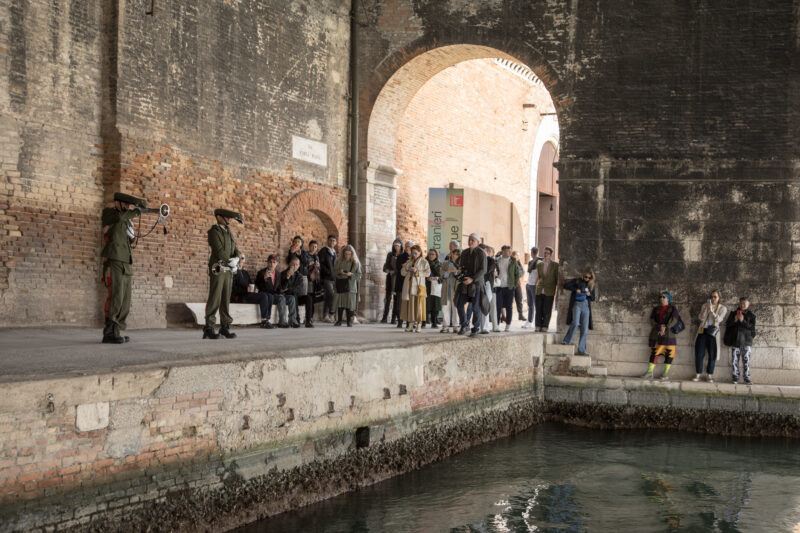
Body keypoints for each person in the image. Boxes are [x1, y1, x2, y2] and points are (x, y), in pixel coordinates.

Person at [100, 192, 145, 344]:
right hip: (115, 258)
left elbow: (131, 239)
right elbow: (119, 218)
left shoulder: (126, 220)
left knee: (125, 298)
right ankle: (109, 332)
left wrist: (132, 229)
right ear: (118, 203)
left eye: (129, 206)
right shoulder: (110, 213)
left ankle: (117, 329)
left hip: (126, 260)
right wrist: (135, 212)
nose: (127, 207)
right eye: (125, 204)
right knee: (116, 295)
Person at [204, 208, 243, 339]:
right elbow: (219, 250)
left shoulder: (228, 232)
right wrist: (230, 261)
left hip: (228, 270)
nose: (229, 220)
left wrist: (237, 257)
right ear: (219, 217)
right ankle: (208, 327)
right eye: (227, 217)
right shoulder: (214, 232)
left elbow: (235, 248)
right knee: (215, 297)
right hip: (218, 268)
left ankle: (225, 327)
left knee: (226, 298)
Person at [642, 291, 685, 380]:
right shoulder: (656, 309)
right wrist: (660, 326)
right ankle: (650, 373)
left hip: (670, 335)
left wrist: (665, 327)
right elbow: (652, 320)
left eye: (664, 297)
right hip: (658, 334)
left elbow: (675, 320)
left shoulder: (673, 309)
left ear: (668, 299)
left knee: (670, 354)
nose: (661, 298)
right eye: (661, 297)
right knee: (655, 353)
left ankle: (665, 374)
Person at [692, 290, 728, 383]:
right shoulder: (705, 305)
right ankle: (698, 374)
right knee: (699, 353)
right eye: (711, 296)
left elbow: (719, 320)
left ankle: (709, 375)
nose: (713, 298)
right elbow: (700, 318)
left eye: (715, 297)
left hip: (713, 333)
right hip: (702, 331)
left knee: (712, 354)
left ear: (719, 298)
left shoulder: (723, 308)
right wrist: (707, 309)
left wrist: (712, 311)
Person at [456, 234, 487, 337]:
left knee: (475, 307)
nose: (470, 242)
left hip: (476, 283)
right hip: (465, 283)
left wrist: (472, 279)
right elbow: (461, 266)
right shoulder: (464, 252)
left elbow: (483, 270)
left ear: (478, 242)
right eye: (469, 240)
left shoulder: (481, 253)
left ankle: (476, 328)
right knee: (459, 303)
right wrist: (461, 274)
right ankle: (464, 325)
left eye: (473, 240)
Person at [561, 268, 597, 356]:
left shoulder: (591, 285)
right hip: (577, 304)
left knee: (584, 329)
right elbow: (565, 285)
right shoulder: (577, 281)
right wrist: (575, 289)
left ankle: (581, 350)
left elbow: (593, 298)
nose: (587, 279)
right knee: (576, 323)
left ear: (591, 278)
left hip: (585, 306)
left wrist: (589, 295)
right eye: (586, 277)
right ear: (583, 275)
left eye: (589, 277)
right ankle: (566, 341)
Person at [231, 257, 273, 328]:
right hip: (240, 295)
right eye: (240, 259)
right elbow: (233, 287)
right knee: (263, 296)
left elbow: (250, 284)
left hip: (248, 294)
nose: (242, 260)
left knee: (268, 295)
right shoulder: (234, 272)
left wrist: (253, 288)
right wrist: (245, 289)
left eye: (243, 259)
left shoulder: (245, 272)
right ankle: (263, 321)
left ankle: (267, 319)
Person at [724, 296, 757, 384]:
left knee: (746, 361)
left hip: (746, 341)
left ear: (748, 304)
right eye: (741, 303)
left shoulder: (752, 315)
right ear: (739, 303)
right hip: (735, 341)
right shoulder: (733, 313)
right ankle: (735, 377)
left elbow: (752, 328)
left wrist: (742, 320)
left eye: (744, 303)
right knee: (734, 360)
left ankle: (747, 378)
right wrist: (735, 320)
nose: (742, 305)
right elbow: (727, 325)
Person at [400, 244, 430, 332]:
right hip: (409, 286)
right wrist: (406, 269)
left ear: (420, 252)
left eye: (415, 253)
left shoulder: (424, 262)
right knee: (410, 306)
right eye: (412, 253)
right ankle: (410, 324)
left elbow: (428, 273)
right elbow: (402, 273)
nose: (414, 255)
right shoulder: (409, 262)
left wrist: (417, 272)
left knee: (419, 306)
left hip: (419, 286)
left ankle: (419, 325)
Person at [286, 236, 314, 328]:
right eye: (295, 241)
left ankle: (308, 320)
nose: (297, 243)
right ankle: (296, 319)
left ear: (301, 244)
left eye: (299, 241)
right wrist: (292, 253)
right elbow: (288, 262)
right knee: (295, 295)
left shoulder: (304, 253)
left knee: (306, 296)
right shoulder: (291, 251)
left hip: (303, 277)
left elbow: (306, 262)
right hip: (293, 276)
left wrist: (299, 253)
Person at [495, 245, 524, 332]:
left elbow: (517, 274)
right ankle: (496, 325)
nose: (508, 253)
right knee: (498, 306)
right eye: (506, 251)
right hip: (499, 286)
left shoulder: (513, 261)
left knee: (509, 306)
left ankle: (508, 324)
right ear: (502, 251)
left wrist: (514, 285)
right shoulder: (498, 260)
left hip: (509, 287)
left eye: (509, 251)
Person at [333, 245, 362, 327]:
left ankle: (349, 321)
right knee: (340, 303)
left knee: (349, 305)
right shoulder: (339, 261)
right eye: (346, 254)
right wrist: (340, 272)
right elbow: (335, 272)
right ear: (343, 254)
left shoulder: (355, 263)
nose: (347, 256)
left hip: (351, 286)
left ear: (352, 254)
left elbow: (359, 276)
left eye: (349, 254)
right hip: (341, 284)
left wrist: (351, 274)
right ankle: (339, 321)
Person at [535, 247, 559, 332]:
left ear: (551, 254)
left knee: (547, 309)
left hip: (550, 290)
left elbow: (557, 279)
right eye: (544, 253)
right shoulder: (539, 264)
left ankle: (545, 326)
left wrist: (557, 291)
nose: (545, 255)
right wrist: (536, 287)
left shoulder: (555, 265)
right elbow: (538, 277)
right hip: (540, 289)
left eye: (547, 253)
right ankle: (538, 325)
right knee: (538, 308)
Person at [440, 244, 461, 333]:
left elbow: (461, 276)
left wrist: (456, 272)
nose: (454, 255)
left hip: (456, 288)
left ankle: (456, 326)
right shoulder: (445, 263)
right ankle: (445, 326)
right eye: (453, 254)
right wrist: (448, 272)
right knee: (445, 307)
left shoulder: (461, 265)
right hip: (446, 288)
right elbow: (441, 274)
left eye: (456, 254)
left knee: (455, 307)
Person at [278, 257, 304, 328]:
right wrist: (287, 277)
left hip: (292, 295)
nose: (295, 266)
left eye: (296, 264)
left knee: (292, 297)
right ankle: (282, 321)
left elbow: (300, 290)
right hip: (282, 295)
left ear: (299, 266)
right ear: (290, 265)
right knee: (285, 297)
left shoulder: (299, 276)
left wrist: (289, 289)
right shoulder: (283, 274)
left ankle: (292, 320)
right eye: (293, 264)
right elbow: (282, 288)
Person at [381, 239, 403, 323]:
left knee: (397, 299)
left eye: (397, 245)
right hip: (390, 278)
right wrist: (388, 270)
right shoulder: (390, 254)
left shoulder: (402, 255)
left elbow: (402, 268)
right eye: (395, 245)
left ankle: (394, 318)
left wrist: (396, 271)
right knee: (388, 298)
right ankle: (384, 317)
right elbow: (386, 265)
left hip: (398, 279)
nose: (396, 247)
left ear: (401, 246)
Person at [318, 235, 338, 322]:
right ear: (327, 241)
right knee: (331, 295)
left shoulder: (334, 252)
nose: (332, 242)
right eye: (330, 240)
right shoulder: (324, 251)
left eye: (334, 241)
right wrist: (329, 272)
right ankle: (331, 313)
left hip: (333, 278)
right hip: (326, 277)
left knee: (328, 297)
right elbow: (321, 264)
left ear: (336, 242)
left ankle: (325, 316)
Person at [394, 240, 412, 329]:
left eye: (409, 246)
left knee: (409, 303)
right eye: (407, 246)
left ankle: (409, 323)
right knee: (400, 304)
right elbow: (398, 267)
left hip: (411, 284)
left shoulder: (415, 257)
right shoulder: (400, 256)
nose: (408, 248)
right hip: (401, 283)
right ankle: (400, 321)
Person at [481, 244, 499, 333]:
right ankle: (481, 326)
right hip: (480, 284)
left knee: (486, 304)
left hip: (487, 284)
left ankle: (485, 327)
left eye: (483, 251)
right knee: (480, 305)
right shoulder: (479, 260)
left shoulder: (491, 260)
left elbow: (486, 271)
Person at [522, 247, 541, 329]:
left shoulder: (540, 262)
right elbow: (529, 272)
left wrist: (537, 283)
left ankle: (535, 322)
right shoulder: (530, 262)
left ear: (533, 253)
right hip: (529, 284)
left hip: (534, 285)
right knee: (530, 304)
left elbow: (540, 274)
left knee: (535, 304)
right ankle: (529, 321)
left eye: (532, 252)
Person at [424, 249, 442, 329]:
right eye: (430, 254)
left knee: (435, 305)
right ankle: (423, 322)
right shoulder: (424, 262)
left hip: (435, 287)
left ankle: (434, 322)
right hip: (426, 285)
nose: (431, 256)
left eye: (433, 254)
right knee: (425, 304)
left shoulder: (439, 264)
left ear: (436, 255)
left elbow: (442, 277)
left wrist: (434, 278)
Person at [511, 251, 525, 321]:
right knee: (510, 301)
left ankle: (520, 314)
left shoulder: (518, 263)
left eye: (518, 256)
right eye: (516, 255)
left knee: (519, 299)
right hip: (511, 284)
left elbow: (522, 272)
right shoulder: (511, 262)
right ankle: (506, 316)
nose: (517, 257)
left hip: (518, 283)